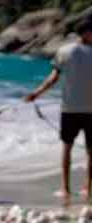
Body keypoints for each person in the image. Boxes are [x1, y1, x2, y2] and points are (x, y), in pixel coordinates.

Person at [26, 19, 92, 199]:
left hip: (71, 109)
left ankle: (69, 188)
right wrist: (36, 93)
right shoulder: (66, 51)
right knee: (83, 150)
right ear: (86, 33)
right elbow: (53, 78)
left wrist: (36, 93)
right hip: (77, 109)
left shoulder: (64, 51)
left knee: (70, 148)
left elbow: (53, 78)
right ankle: (80, 188)